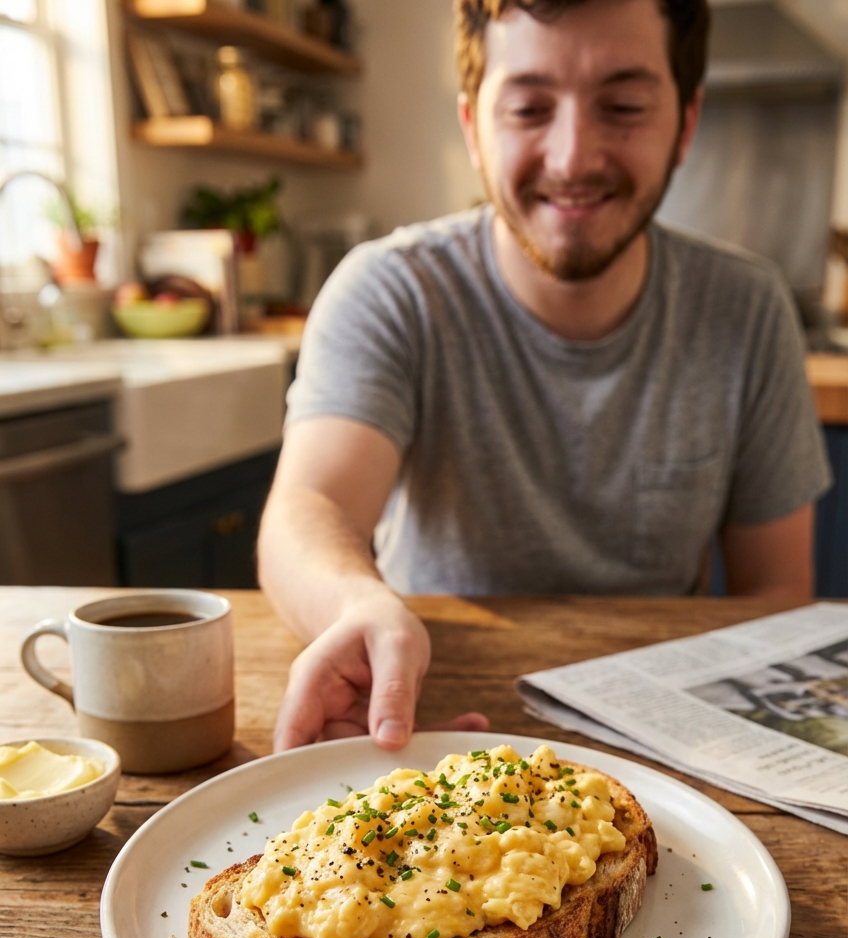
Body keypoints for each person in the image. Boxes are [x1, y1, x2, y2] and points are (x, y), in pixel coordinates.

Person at [258, 0, 832, 754]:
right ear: (473, 127)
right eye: (529, 108)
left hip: (668, 743)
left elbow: (774, 594)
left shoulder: (748, 308)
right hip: (430, 721)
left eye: (622, 106)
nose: (571, 158)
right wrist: (357, 604)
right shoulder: (389, 290)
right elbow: (308, 508)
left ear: (685, 124)